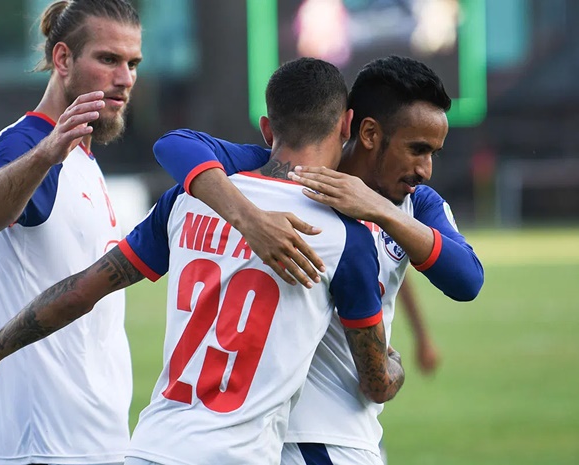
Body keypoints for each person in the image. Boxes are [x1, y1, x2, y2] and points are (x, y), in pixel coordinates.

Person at [0, 57, 405, 465]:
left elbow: (83, 289)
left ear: (268, 130)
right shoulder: (346, 236)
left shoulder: (190, 198)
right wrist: (394, 363)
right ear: (346, 127)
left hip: (152, 447)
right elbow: (375, 383)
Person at [151, 55, 484, 464]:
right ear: (367, 132)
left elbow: (467, 280)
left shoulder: (414, 207)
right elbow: (175, 145)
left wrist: (380, 211)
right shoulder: (283, 173)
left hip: (351, 433)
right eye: (417, 150)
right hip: (304, 437)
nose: (426, 169)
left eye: (433, 152)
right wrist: (248, 217)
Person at [0, 1, 142, 464]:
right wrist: (47, 153)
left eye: (132, 63)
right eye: (108, 59)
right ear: (62, 60)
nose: (125, 78)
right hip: (42, 442)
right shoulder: (26, 145)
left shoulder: (81, 154)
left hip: (95, 434)